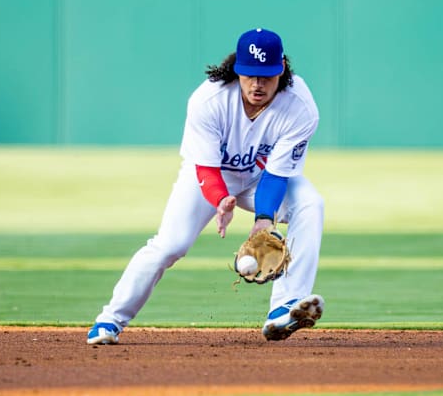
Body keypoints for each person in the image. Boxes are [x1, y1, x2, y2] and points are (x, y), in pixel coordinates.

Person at [87, 28, 325, 344]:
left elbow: (277, 175)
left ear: (281, 68)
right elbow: (206, 169)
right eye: (249, 74)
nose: (257, 84)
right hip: (211, 177)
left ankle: (284, 307)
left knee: (310, 204)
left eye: (266, 75)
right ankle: (109, 320)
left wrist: (263, 219)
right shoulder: (209, 99)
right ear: (236, 69)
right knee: (170, 245)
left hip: (261, 178)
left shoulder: (300, 106)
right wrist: (219, 199)